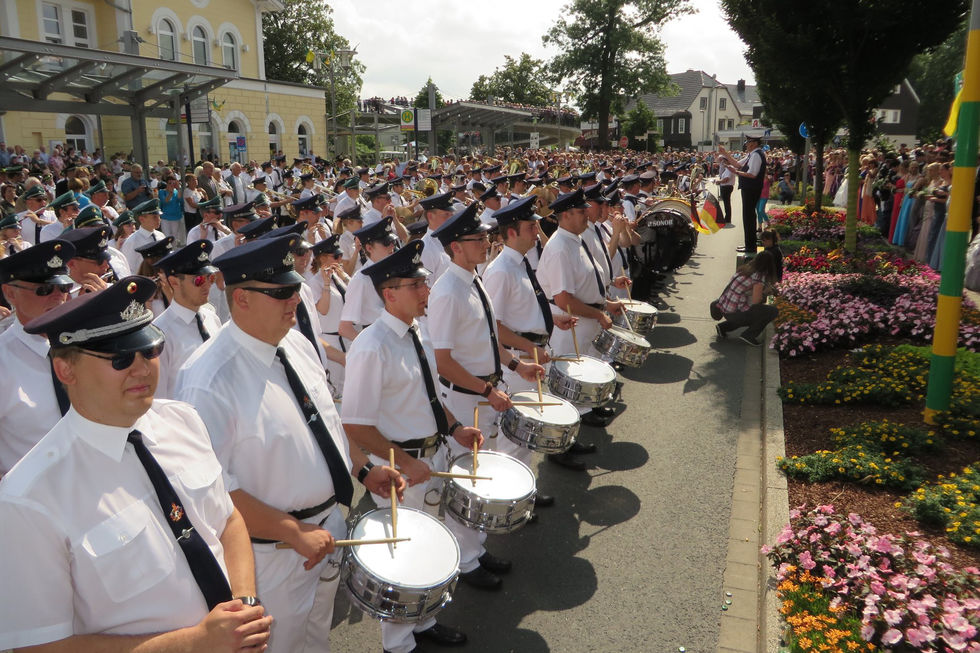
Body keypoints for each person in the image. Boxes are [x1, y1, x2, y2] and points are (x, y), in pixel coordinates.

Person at [0, 275, 273, 651]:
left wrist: (244, 606)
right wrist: (195, 643)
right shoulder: (28, 498)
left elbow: (226, 519)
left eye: (150, 350)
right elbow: (40, 647)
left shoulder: (183, 421)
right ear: (66, 370)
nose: (142, 369)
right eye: (120, 358)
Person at [176, 234, 404, 653]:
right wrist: (293, 530)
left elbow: (327, 424)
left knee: (316, 637)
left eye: (295, 288)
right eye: (281, 293)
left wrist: (364, 469)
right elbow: (212, 493)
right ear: (241, 299)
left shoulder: (294, 343)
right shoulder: (207, 380)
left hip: (327, 529)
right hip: (272, 554)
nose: (294, 301)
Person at [342, 239, 484, 653]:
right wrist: (406, 462)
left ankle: (423, 622)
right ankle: (398, 643)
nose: (427, 292)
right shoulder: (371, 347)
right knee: (401, 559)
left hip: (430, 455)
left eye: (425, 283)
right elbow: (354, 425)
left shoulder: (416, 332)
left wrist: (455, 427)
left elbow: (429, 395)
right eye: (416, 285)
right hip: (401, 470)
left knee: (425, 548)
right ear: (390, 294)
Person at [429, 202, 545, 588]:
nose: (486, 242)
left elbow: (490, 339)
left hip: (485, 391)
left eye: (485, 236)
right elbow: (443, 361)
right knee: (468, 478)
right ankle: (464, 561)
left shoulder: (474, 279)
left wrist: (515, 366)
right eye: (477, 238)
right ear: (455, 246)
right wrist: (486, 389)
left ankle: (475, 548)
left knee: (482, 474)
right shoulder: (446, 290)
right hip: (465, 398)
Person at [482, 195, 582, 484]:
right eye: (530, 227)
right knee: (516, 434)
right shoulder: (500, 271)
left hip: (531, 353)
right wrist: (529, 348)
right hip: (518, 360)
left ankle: (523, 488)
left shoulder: (520, 263)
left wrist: (553, 316)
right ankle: (510, 491)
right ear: (511, 232)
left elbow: (529, 303)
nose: (537, 232)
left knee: (528, 430)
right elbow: (494, 327)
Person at [0, 240, 76, 474]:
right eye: (44, 290)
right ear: (10, 293)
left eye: (63, 288)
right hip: (34, 501)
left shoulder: (86, 344)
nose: (58, 297)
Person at [151, 240, 222, 399]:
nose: (207, 285)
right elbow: (159, 400)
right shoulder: (160, 334)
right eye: (198, 280)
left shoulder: (212, 318)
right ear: (174, 282)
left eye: (210, 278)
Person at [338, 215, 399, 341]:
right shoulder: (361, 279)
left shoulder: (394, 271)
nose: (392, 246)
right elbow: (345, 328)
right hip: (378, 337)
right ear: (369, 248)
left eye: (392, 242)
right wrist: (370, 347)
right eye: (386, 243)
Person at [714, 249, 780, 346]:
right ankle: (749, 335)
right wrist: (766, 292)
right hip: (735, 314)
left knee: (746, 310)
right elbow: (756, 302)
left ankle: (723, 327)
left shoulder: (746, 269)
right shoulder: (758, 276)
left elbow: (745, 292)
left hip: (724, 309)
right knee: (771, 311)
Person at [720, 136, 766, 253]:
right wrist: (725, 154)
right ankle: (749, 244)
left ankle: (750, 246)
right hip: (749, 188)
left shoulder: (756, 155)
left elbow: (752, 174)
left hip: (752, 188)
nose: (746, 145)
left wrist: (736, 172)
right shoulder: (752, 155)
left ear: (755, 143)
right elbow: (737, 164)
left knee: (749, 216)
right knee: (747, 216)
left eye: (749, 142)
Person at [120, 198, 167, 272]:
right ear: (142, 219)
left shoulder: (160, 235)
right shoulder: (132, 241)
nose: (159, 219)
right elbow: (128, 269)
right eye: (154, 217)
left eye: (159, 216)